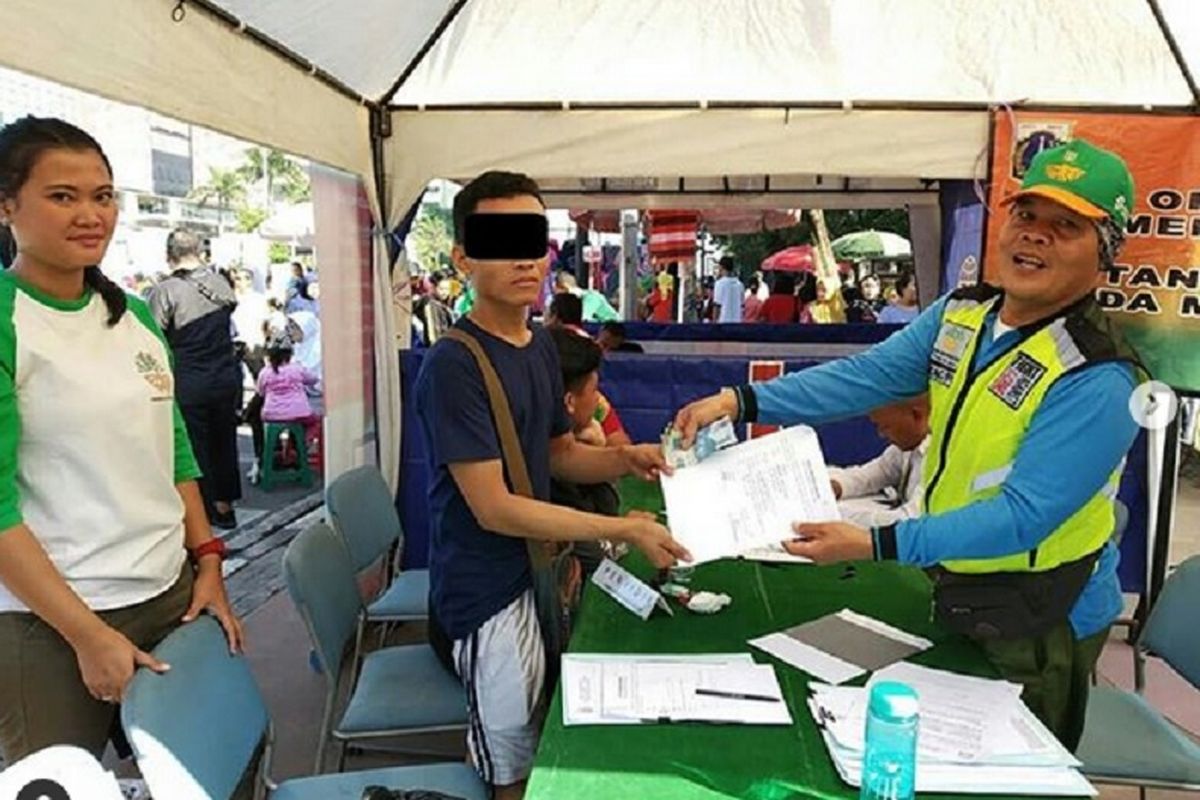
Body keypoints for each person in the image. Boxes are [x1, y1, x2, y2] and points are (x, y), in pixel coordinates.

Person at [674, 139, 1142, 752]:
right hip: (957, 584)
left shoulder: (1101, 376)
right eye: (1026, 216)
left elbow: (1023, 517)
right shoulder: (966, 314)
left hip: (1041, 616)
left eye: (1066, 226)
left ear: (1105, 251)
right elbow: (867, 377)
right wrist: (743, 401)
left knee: (1001, 780)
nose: (1035, 236)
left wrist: (875, 543)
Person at [413, 171, 688, 799]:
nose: (524, 258)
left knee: (544, 733)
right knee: (511, 770)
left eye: (532, 239)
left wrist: (627, 458)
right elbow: (495, 508)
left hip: (541, 576)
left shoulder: (541, 346)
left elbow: (559, 455)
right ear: (463, 258)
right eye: (500, 240)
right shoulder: (454, 364)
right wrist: (620, 526)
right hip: (487, 594)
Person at [0, 116, 243, 764]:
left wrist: (209, 561)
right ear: (6, 205)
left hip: (169, 596)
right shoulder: (8, 320)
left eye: (102, 195)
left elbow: (174, 450)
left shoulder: (134, 315)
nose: (90, 214)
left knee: (202, 774)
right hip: (49, 626)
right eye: (62, 196)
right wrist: (85, 634)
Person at [148, 229, 243, 530]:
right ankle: (225, 505)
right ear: (200, 252)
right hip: (226, 375)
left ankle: (204, 512)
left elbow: (153, 337)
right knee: (224, 440)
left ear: (169, 255)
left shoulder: (166, 291)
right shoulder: (220, 283)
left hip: (188, 378)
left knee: (194, 446)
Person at [829, 396, 930, 528]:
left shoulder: (941, 458)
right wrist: (838, 486)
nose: (881, 434)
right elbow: (878, 472)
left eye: (885, 426)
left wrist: (836, 516)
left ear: (917, 415)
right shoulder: (910, 444)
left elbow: (907, 522)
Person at [256, 335, 321, 459]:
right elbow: (313, 379)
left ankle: (277, 450)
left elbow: (260, 392)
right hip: (299, 413)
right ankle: (303, 445)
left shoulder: (265, 372)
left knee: (272, 429)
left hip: (272, 414)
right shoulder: (296, 369)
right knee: (315, 422)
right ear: (290, 354)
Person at [711, 256, 745, 323]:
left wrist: (714, 323)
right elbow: (742, 305)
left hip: (723, 322)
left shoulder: (719, 284)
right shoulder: (740, 285)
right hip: (737, 322)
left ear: (721, 267)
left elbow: (717, 306)